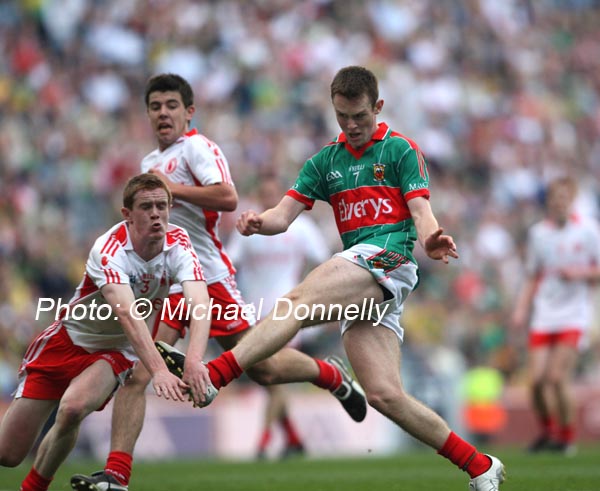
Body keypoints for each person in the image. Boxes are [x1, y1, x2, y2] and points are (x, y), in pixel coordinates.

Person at [159, 66, 506, 490]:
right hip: (365, 274)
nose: (352, 125)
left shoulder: (400, 150)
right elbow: (283, 216)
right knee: (382, 395)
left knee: (294, 304)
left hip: (387, 259)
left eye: (360, 115)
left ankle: (215, 376)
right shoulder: (325, 161)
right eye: (343, 116)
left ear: (377, 107)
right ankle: (480, 466)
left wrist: (432, 236)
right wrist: (256, 221)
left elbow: (420, 210)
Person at [72, 73, 366, 491]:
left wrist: (173, 189)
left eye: (171, 105)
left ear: (188, 111)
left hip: (209, 278)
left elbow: (227, 196)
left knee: (262, 369)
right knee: (139, 372)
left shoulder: (198, 148)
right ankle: (117, 476)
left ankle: (330, 375)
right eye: (155, 106)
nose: (163, 113)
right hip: (170, 282)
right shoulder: (146, 167)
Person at [0, 173, 212, 491]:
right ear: (127, 215)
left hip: (115, 351)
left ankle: (32, 487)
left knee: (72, 408)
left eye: (162, 206)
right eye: (146, 207)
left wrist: (195, 359)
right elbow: (126, 312)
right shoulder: (109, 248)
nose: (156, 214)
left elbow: (200, 301)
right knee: (8, 454)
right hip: (68, 340)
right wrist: (158, 371)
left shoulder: (178, 242)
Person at [227, 174, 332, 459]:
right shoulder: (249, 228)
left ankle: (263, 442)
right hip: (255, 311)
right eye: (265, 193)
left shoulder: (301, 227)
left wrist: (311, 295)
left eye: (274, 193)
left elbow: (324, 261)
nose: (269, 198)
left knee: (274, 378)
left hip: (288, 310)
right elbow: (229, 263)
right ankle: (294, 439)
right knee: (269, 377)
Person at [511, 176, 600, 455]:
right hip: (545, 313)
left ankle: (567, 438)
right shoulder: (539, 234)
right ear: (549, 202)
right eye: (554, 199)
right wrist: (521, 309)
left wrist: (581, 274)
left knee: (556, 377)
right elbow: (531, 275)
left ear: (570, 200)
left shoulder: (588, 230)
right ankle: (549, 432)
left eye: (564, 198)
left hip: (574, 314)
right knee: (536, 381)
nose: (559, 203)